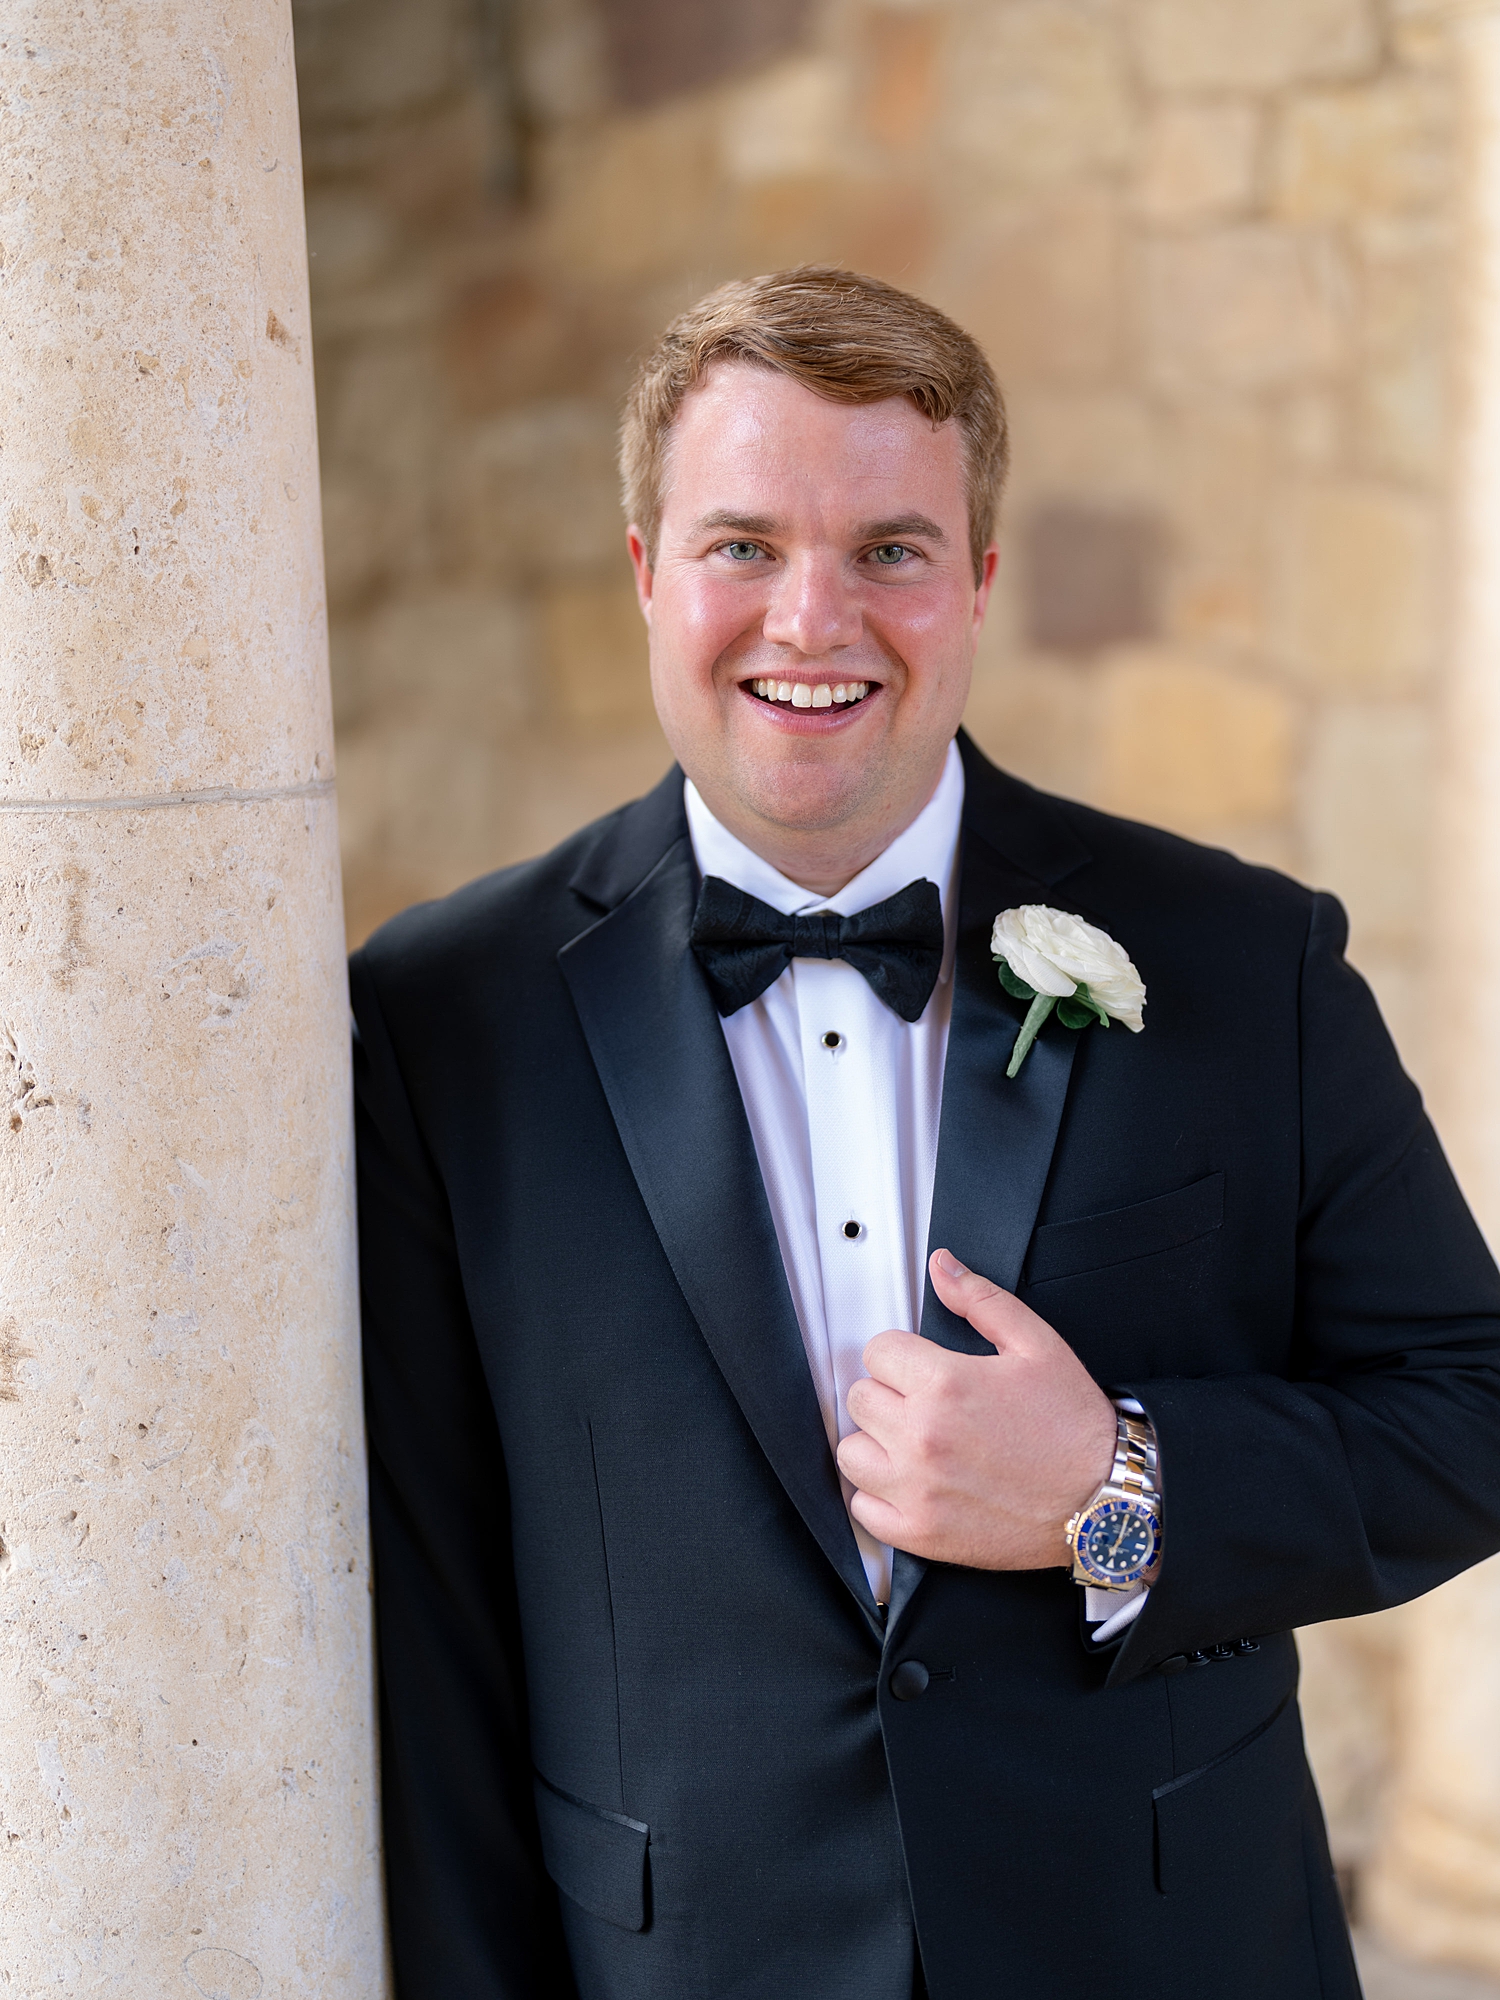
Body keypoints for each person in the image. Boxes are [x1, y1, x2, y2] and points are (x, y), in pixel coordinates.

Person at [350, 267, 1500, 2000]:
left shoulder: (1243, 963)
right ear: (648, 574)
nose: (812, 620)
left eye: (888, 548)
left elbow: (1468, 1416)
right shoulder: (442, 1019)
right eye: (743, 545)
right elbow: (433, 1634)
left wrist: (1116, 1493)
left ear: (975, 579)